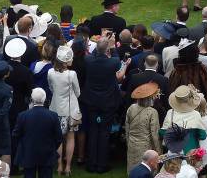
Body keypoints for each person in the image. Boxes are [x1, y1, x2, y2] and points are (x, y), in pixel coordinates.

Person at [81, 36, 128, 173]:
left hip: (92, 101)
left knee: (93, 131)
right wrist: (112, 47)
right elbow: (118, 61)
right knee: (104, 133)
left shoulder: (88, 60)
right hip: (107, 102)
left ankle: (91, 164)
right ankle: (101, 165)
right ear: (107, 50)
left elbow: (94, 53)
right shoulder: (112, 61)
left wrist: (105, 45)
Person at [12, 88, 63, 178]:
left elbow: (16, 135)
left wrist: (23, 147)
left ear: (31, 99)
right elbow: (59, 137)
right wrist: (51, 147)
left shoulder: (23, 115)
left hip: (28, 153)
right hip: (47, 154)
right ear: (44, 99)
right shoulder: (53, 116)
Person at [47, 45, 81, 175]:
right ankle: (67, 167)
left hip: (55, 108)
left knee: (58, 139)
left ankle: (60, 165)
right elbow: (77, 92)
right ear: (66, 62)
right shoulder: (72, 74)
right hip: (70, 110)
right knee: (71, 138)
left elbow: (51, 88)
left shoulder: (50, 72)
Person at [125, 82, 161, 173]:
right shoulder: (152, 112)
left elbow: (127, 127)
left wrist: (128, 141)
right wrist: (158, 151)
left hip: (132, 144)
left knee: (133, 169)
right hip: (146, 147)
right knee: (145, 170)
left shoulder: (131, 108)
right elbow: (154, 134)